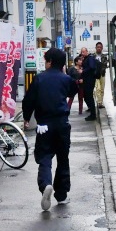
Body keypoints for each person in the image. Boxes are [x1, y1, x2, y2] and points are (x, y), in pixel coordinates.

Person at [22, 47, 76, 211]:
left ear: (50, 61)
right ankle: (61, 194)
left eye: (46, 60)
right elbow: (73, 90)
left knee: (44, 157)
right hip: (62, 124)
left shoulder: (39, 79)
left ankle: (46, 184)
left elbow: (28, 100)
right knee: (63, 158)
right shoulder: (65, 79)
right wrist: (65, 74)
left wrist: (26, 117)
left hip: (44, 125)